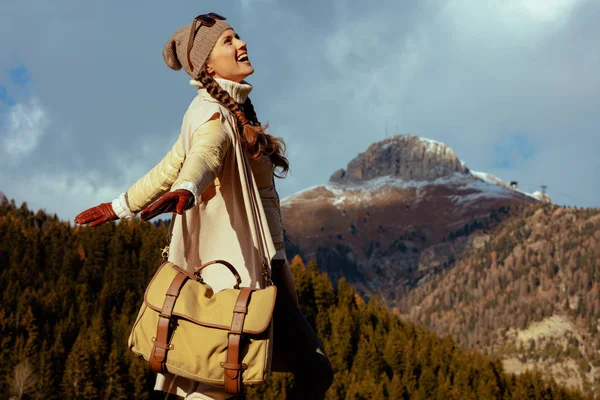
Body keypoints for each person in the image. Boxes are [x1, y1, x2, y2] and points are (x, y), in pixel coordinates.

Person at [74, 12, 333, 400]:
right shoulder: (210, 112)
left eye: (237, 36)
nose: (241, 44)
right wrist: (188, 189)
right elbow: (202, 156)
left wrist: (119, 206)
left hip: (264, 268)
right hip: (232, 275)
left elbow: (168, 167)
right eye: (227, 41)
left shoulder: (235, 108)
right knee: (228, 381)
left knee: (265, 374)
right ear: (206, 64)